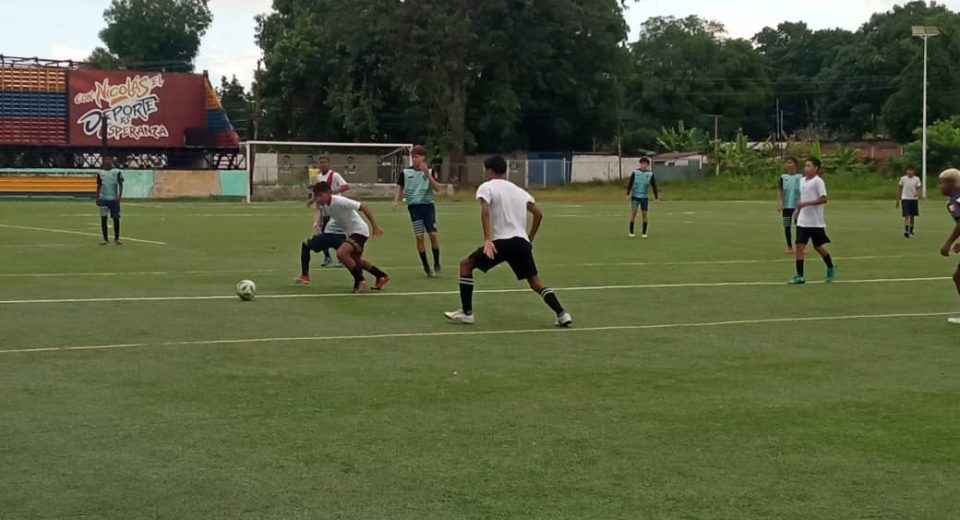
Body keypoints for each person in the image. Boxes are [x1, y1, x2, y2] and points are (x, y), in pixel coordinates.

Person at [444, 155, 572, 327]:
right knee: (535, 282)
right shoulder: (519, 191)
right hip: (521, 242)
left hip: (503, 242)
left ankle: (466, 313)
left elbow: (485, 211)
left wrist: (487, 239)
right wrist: (529, 238)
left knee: (465, 265)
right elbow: (538, 214)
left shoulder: (486, 187)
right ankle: (562, 313)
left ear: (489, 170)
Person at [311, 182, 388, 293]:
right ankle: (381, 276)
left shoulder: (339, 201)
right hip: (351, 233)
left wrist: (375, 227)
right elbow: (325, 218)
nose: (318, 199)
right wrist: (319, 229)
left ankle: (360, 280)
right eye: (316, 196)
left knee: (341, 254)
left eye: (320, 195)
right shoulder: (326, 207)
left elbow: (363, 207)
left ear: (329, 192)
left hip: (360, 231)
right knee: (356, 261)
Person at [294, 213, 388, 289]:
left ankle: (305, 275)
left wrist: (318, 229)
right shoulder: (340, 204)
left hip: (330, 234)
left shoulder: (333, 203)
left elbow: (325, 215)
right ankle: (380, 275)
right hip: (343, 236)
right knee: (354, 259)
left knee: (306, 246)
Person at [394, 145, 443, 276]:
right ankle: (426, 266)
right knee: (419, 237)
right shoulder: (406, 172)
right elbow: (400, 186)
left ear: (423, 157)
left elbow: (438, 189)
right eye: (413, 157)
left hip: (428, 206)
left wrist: (427, 174)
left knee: (433, 235)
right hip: (414, 207)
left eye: (417, 157)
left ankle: (437, 263)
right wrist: (396, 200)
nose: (414, 159)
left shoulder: (430, 171)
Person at [789, 157, 836, 285]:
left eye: (809, 166)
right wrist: (797, 211)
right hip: (803, 221)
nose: (806, 168)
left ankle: (831, 266)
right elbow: (802, 198)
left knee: (818, 247)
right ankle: (800, 276)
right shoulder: (802, 181)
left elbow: (824, 199)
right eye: (805, 166)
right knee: (799, 246)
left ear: (816, 168)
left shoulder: (818, 182)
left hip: (815, 222)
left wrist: (805, 204)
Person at [308, 156, 350, 266]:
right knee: (322, 233)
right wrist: (312, 200)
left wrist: (330, 193)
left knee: (337, 234)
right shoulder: (318, 177)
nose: (322, 164)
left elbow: (345, 186)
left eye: (324, 162)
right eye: (321, 162)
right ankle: (327, 257)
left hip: (335, 209)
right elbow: (318, 193)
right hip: (324, 210)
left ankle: (341, 258)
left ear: (329, 163)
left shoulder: (334, 175)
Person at [937, 168, 960, 325]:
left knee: (958, 277)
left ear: (951, 183)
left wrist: (948, 243)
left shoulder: (956, 200)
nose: (940, 186)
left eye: (942, 182)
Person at [625, 157, 659, 238]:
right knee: (634, 212)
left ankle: (644, 233)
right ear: (640, 164)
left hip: (644, 197)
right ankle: (631, 231)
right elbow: (630, 183)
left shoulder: (650, 174)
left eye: (645, 164)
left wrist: (656, 197)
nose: (643, 165)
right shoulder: (635, 172)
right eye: (642, 163)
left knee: (644, 214)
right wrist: (628, 193)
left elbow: (654, 186)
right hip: (635, 196)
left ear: (647, 165)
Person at [96, 155, 123, 245]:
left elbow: (120, 184)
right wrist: (97, 197)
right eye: (105, 160)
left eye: (109, 160)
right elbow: (99, 185)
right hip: (103, 199)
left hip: (114, 199)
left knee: (116, 219)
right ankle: (105, 239)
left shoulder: (117, 172)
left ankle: (117, 238)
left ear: (112, 161)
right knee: (103, 219)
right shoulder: (100, 173)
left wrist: (119, 196)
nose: (107, 161)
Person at [778, 157, 803, 253]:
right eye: (787, 163)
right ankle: (789, 247)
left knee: (800, 226)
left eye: (790, 162)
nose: (788, 165)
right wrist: (780, 202)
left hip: (798, 206)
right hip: (786, 206)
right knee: (787, 226)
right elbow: (780, 190)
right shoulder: (783, 177)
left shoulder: (800, 177)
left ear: (795, 164)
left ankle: (801, 245)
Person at [897, 166, 922, 238]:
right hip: (905, 199)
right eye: (908, 170)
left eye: (911, 170)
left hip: (913, 199)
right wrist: (897, 200)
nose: (909, 172)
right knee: (907, 215)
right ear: (906, 171)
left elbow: (919, 188)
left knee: (912, 216)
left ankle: (911, 230)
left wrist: (917, 193)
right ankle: (906, 231)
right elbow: (900, 189)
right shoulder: (903, 179)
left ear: (913, 171)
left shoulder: (916, 179)